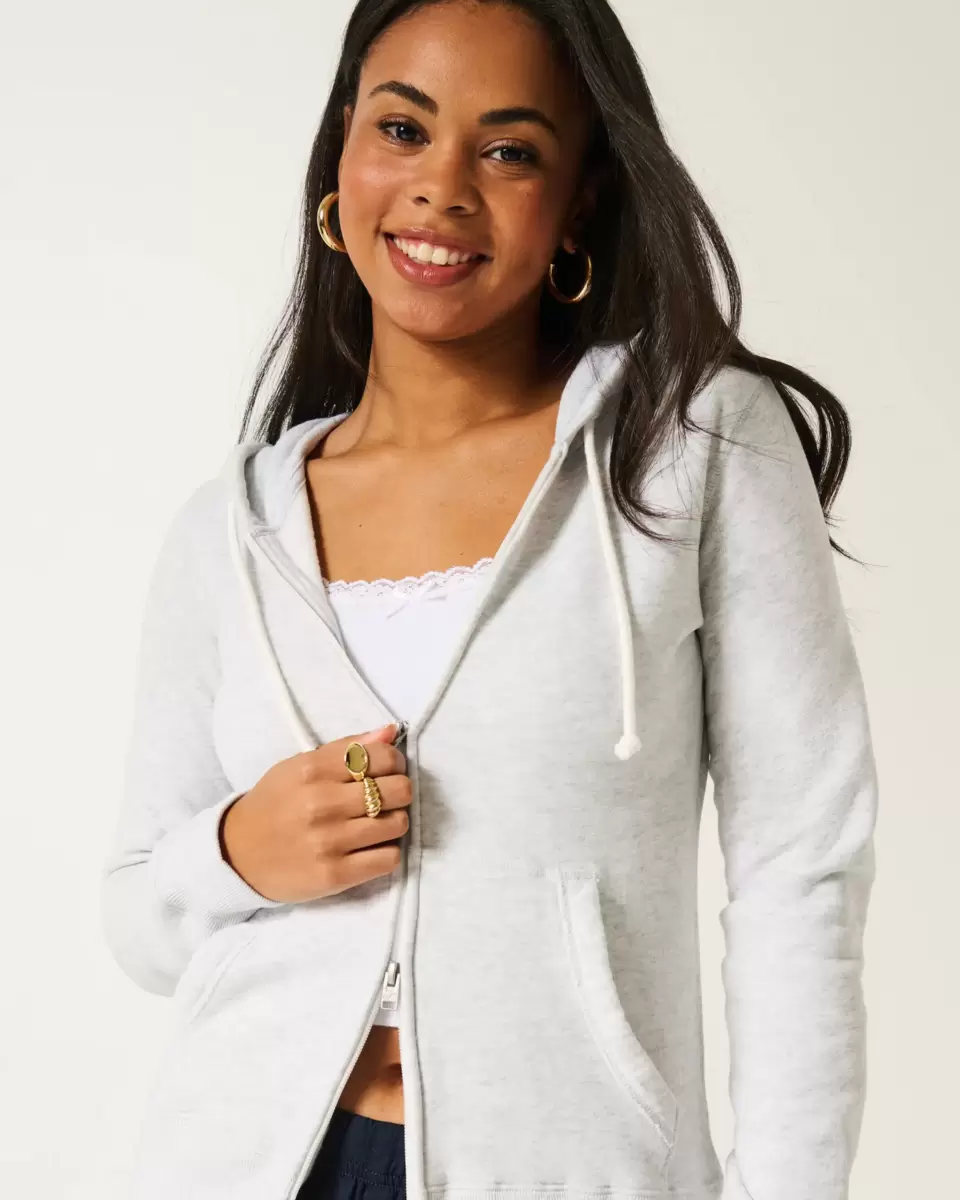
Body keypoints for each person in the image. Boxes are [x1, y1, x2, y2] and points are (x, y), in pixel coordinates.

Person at [99, 2, 879, 1199]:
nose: (442, 188)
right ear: (342, 152)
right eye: (402, 129)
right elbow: (139, 918)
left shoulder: (692, 449)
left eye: (509, 149)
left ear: (579, 201)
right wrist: (240, 849)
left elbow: (801, 866)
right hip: (238, 1159)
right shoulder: (231, 531)